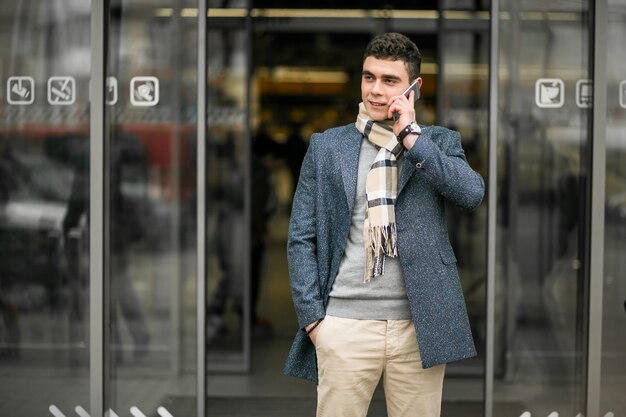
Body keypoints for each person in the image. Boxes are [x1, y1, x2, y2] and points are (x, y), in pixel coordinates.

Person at [283, 32, 485, 417]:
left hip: (420, 327)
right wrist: (314, 322)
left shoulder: (437, 142)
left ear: (414, 87)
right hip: (343, 327)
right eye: (368, 77)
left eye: (389, 80)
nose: (375, 90)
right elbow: (301, 238)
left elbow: (471, 193)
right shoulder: (327, 146)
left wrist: (412, 137)